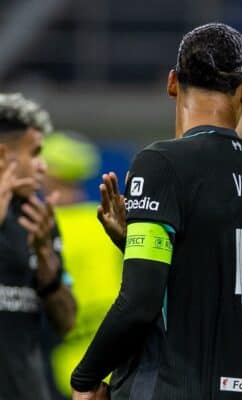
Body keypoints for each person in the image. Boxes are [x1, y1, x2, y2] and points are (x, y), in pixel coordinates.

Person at [70, 23, 242, 399]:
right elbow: (204, 280)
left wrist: (85, 379)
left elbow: (140, 302)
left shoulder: (161, 164)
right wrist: (131, 243)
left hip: (165, 386)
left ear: (172, 82)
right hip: (238, 389)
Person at [0, 93, 76, 400]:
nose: (43, 167)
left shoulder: (37, 219)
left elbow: (66, 322)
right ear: (3, 155)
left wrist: (46, 260)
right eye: (35, 153)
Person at [40, 131, 123, 398]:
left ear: (48, 173)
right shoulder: (105, 222)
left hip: (59, 364)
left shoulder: (41, 228)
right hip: (113, 360)